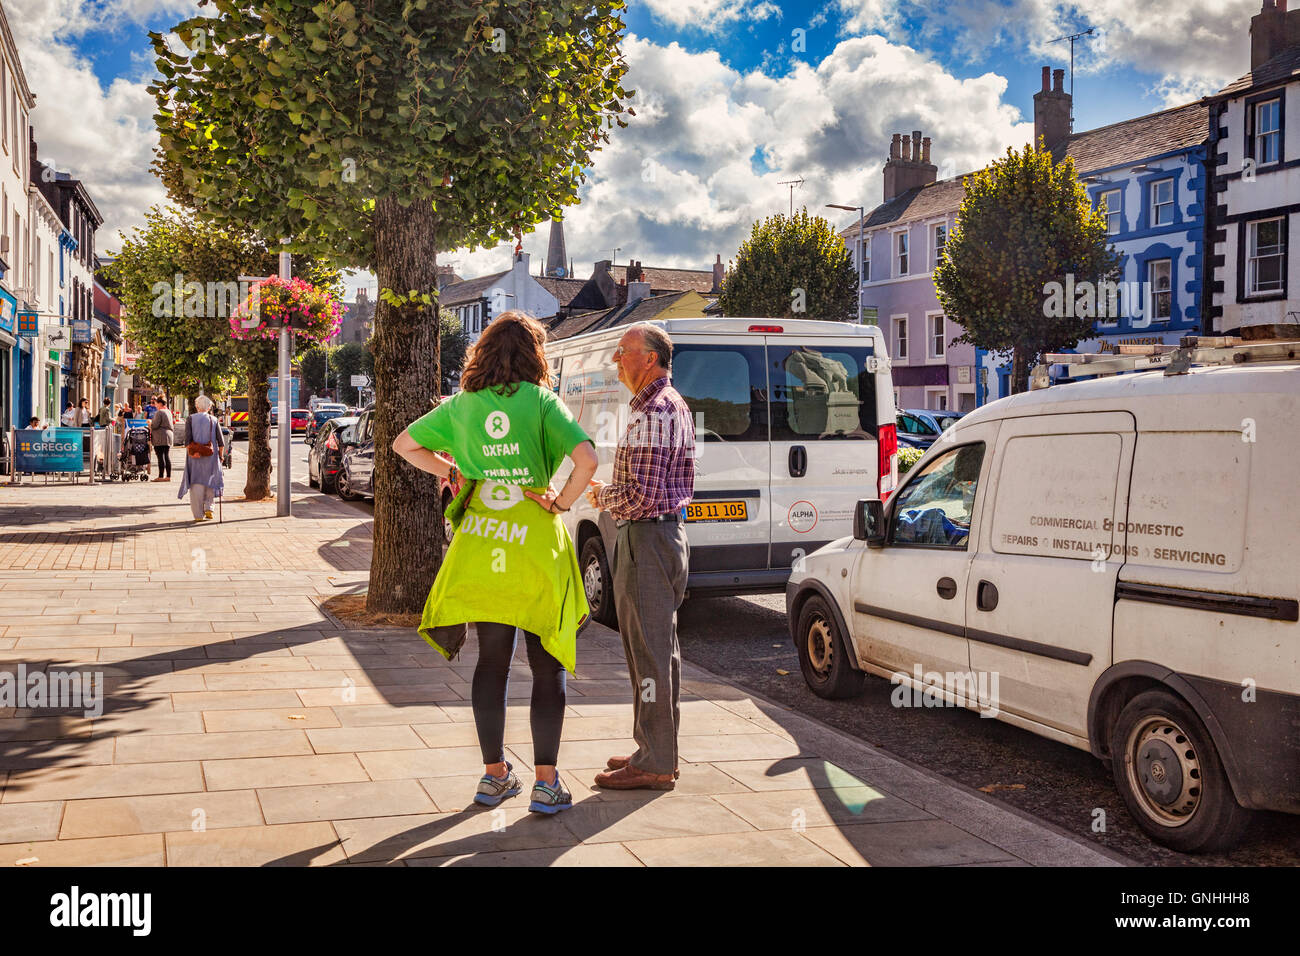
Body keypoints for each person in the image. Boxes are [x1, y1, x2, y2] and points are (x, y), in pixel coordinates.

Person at [392, 311, 598, 815]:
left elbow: (404, 444)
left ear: (482, 353)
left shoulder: (462, 405)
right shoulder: (544, 402)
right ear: (535, 356)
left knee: (492, 662)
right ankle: (546, 785)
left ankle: (494, 776)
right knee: (547, 664)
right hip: (534, 546)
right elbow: (588, 459)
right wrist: (560, 502)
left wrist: (455, 471)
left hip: (482, 545)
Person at [588, 322, 696, 792]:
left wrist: (599, 496)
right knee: (657, 652)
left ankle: (654, 761)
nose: (616, 359)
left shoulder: (655, 411)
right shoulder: (666, 404)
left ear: (649, 358)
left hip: (648, 539)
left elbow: (642, 497)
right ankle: (655, 749)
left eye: (623, 351)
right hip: (660, 538)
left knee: (649, 654)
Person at [178, 395, 224, 521]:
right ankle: (209, 508)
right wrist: (221, 456)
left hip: (195, 457)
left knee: (196, 484)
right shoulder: (213, 420)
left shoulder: (190, 419)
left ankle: (198, 515)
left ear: (197, 406)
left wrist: (192, 453)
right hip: (211, 457)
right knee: (211, 482)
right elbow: (221, 442)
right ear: (209, 407)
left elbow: (187, 441)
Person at [150, 394, 174, 482]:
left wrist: (150, 423)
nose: (155, 405)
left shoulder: (159, 412)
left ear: (160, 403)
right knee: (166, 456)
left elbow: (155, 425)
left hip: (160, 436)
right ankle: (168, 476)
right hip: (168, 435)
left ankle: (160, 476)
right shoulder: (168, 411)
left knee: (160, 456)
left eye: (156, 403)